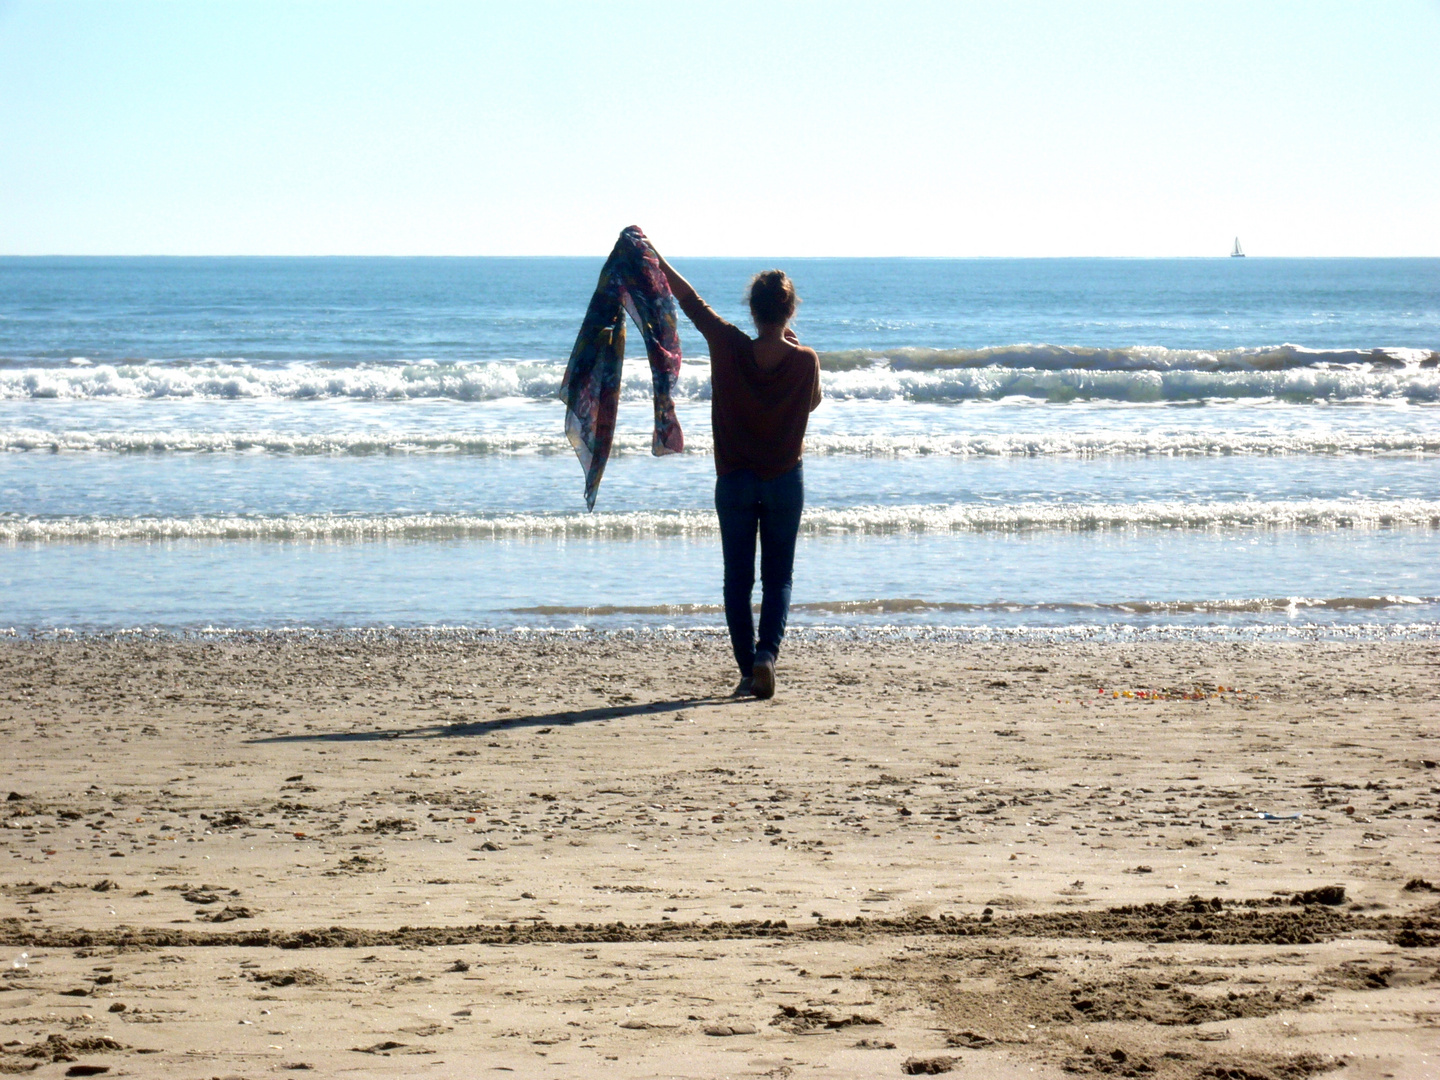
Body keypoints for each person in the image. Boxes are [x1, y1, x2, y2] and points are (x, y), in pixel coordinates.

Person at [653, 250, 822, 700]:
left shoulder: (727, 344)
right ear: (790, 310)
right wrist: (791, 342)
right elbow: (812, 403)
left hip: (734, 479)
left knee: (737, 579)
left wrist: (656, 256)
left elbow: (690, 300)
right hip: (786, 477)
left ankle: (749, 670)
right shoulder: (806, 361)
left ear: (752, 309)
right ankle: (767, 656)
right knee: (778, 577)